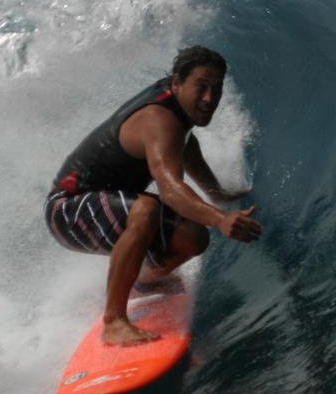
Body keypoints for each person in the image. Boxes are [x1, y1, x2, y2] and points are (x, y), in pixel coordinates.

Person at [44, 45, 262, 346]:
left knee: (194, 237)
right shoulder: (158, 120)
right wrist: (221, 219)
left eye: (216, 88)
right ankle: (114, 321)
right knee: (146, 209)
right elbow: (170, 191)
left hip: (101, 205)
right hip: (67, 211)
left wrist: (216, 193)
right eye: (201, 87)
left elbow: (184, 144)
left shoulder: (177, 111)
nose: (210, 98)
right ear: (177, 83)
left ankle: (147, 281)